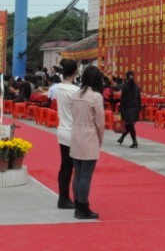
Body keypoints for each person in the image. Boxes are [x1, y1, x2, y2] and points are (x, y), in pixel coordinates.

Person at [68, 64, 105, 219]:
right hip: (89, 135)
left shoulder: (76, 94)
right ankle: (84, 206)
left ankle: (78, 204)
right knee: (86, 176)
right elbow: (100, 123)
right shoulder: (96, 97)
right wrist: (100, 140)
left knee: (77, 174)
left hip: (75, 134)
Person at [51, 58, 80, 209]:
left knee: (65, 166)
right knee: (74, 167)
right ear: (75, 72)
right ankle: (67, 198)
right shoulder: (75, 91)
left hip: (62, 129)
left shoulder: (58, 88)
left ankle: (63, 196)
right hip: (73, 130)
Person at [117, 71, 141, 148]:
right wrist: (139, 108)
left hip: (128, 108)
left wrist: (121, 108)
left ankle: (135, 141)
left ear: (126, 78)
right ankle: (122, 138)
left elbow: (123, 99)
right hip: (135, 108)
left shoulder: (125, 87)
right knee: (130, 125)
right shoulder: (137, 87)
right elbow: (139, 99)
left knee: (130, 125)